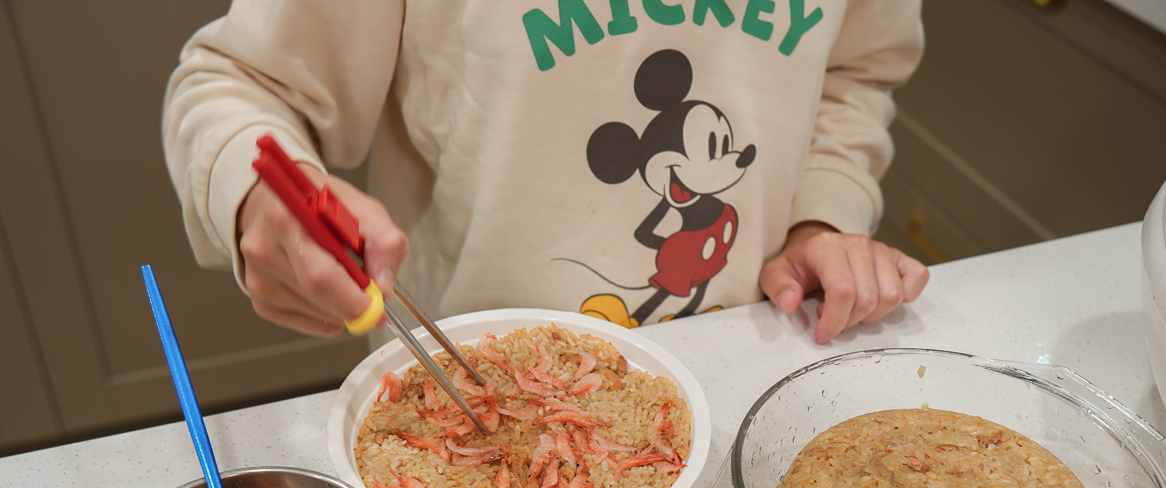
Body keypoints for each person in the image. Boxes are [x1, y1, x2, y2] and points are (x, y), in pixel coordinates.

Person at [164, 0, 929, 345]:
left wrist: (821, 215)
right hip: (469, 393)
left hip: (749, 358)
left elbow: (855, 71)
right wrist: (259, 196)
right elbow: (239, 85)